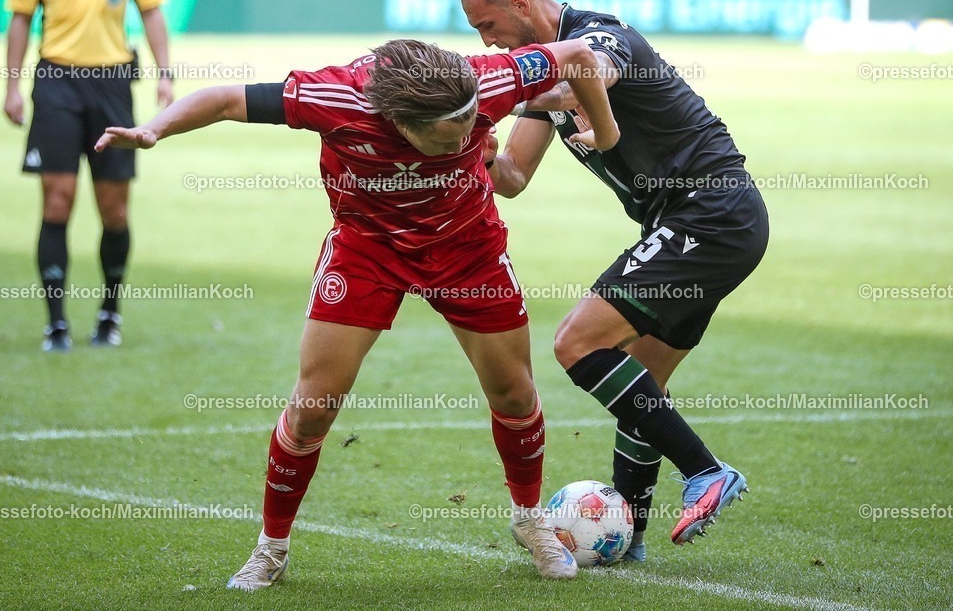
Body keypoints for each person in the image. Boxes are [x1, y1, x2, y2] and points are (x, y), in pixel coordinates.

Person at [95, 37, 620, 588]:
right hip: (368, 250)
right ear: (399, 120)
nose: (465, 144)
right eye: (447, 140)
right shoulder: (337, 99)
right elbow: (227, 99)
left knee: (514, 393)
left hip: (467, 249)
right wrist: (156, 128)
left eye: (471, 128)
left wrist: (606, 136)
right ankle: (271, 548)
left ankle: (530, 520)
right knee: (312, 409)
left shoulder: (485, 79)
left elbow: (581, 54)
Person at [455, 0, 769, 560]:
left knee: (578, 342)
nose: (488, 42)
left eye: (487, 25)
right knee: (640, 385)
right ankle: (630, 541)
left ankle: (706, 471)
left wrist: (499, 96)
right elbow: (514, 175)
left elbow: (587, 74)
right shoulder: (539, 72)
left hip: (711, 210)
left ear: (521, 3)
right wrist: (472, 144)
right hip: (696, 221)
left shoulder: (601, 37)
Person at [4, 0, 174, 351]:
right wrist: (11, 86)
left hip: (113, 82)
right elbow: (21, 17)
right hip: (57, 80)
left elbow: (151, 10)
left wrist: (164, 73)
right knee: (57, 199)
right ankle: (56, 324)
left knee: (114, 209)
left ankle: (109, 314)